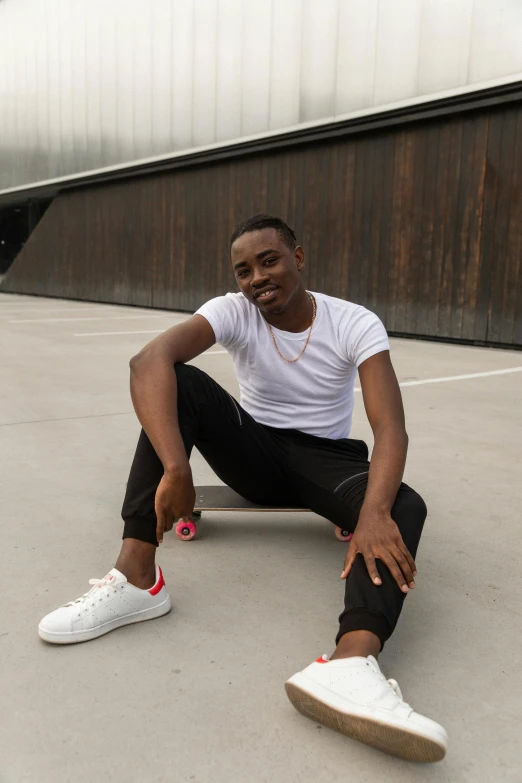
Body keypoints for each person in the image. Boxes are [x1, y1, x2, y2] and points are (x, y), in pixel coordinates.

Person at [39, 214, 448, 762]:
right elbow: (147, 361)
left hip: (327, 459)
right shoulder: (233, 311)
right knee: (175, 379)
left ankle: (351, 662)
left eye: (269, 260)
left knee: (403, 504)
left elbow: (390, 427)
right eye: (244, 270)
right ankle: (138, 578)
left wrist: (372, 511)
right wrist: (176, 468)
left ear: (298, 258)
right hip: (252, 450)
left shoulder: (355, 322)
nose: (257, 277)